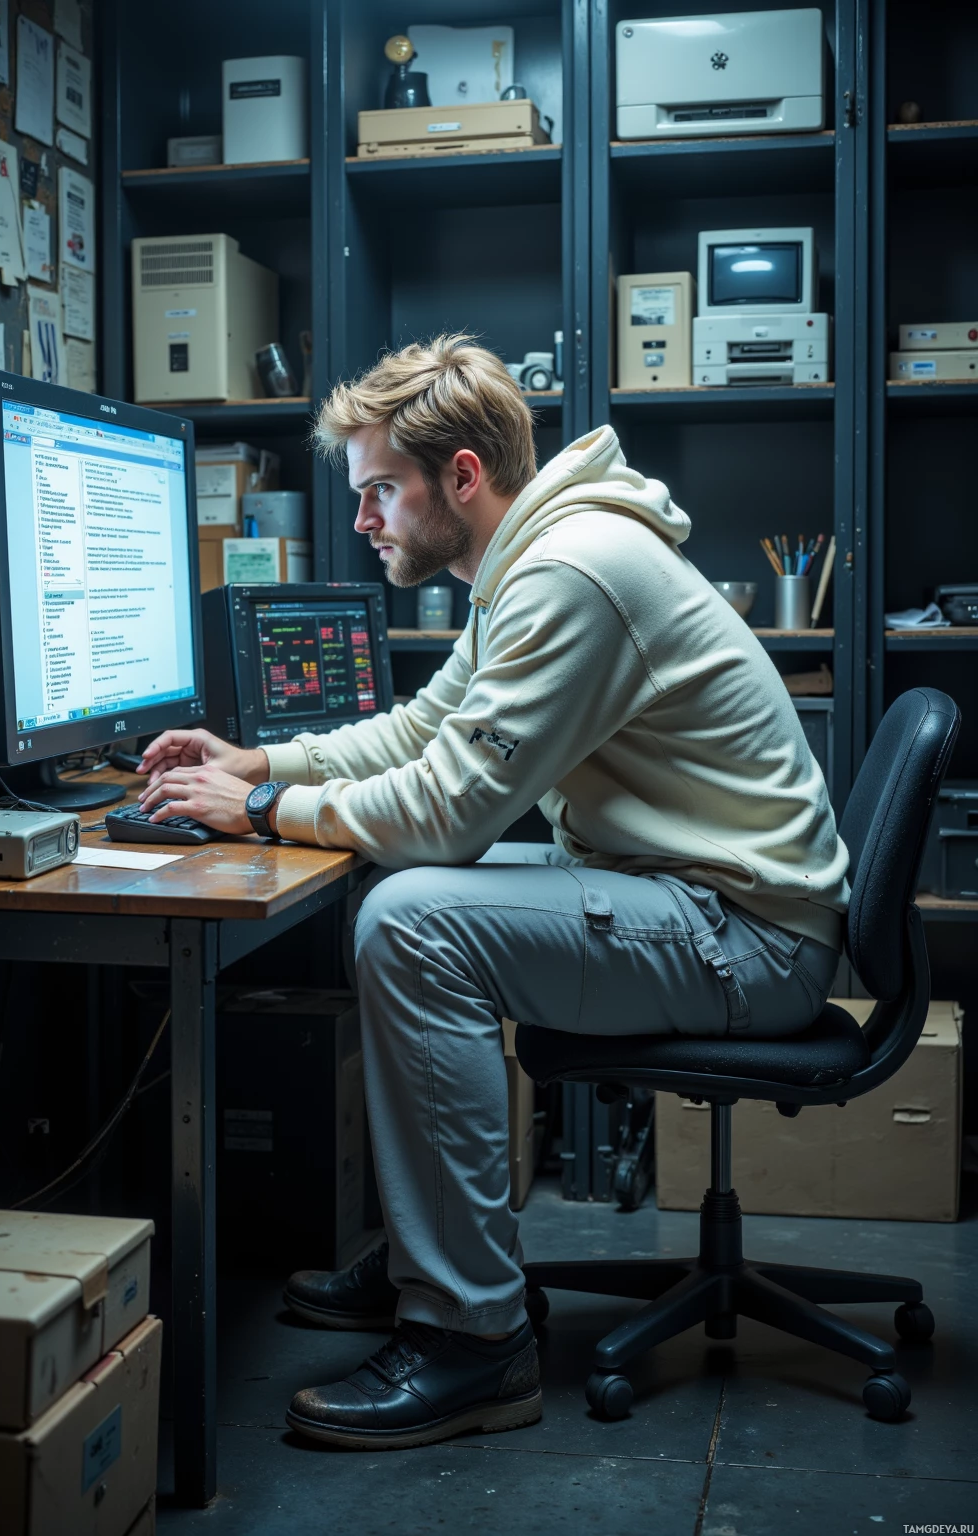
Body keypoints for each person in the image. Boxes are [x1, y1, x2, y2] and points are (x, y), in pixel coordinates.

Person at [138, 334, 849, 1451]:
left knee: (413, 918)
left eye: (381, 490)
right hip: (691, 897)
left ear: (461, 477)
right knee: (404, 892)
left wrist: (261, 817)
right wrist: (260, 765)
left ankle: (474, 1341)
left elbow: (450, 811)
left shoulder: (570, 572)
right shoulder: (535, 555)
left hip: (747, 938)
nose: (365, 519)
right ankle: (443, 1254)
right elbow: (426, 732)